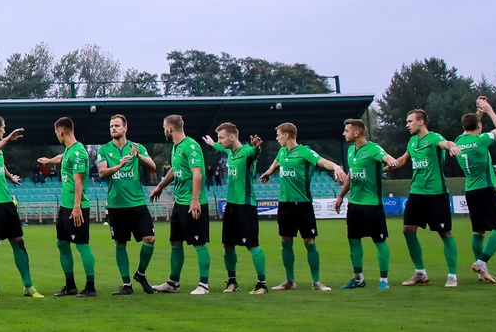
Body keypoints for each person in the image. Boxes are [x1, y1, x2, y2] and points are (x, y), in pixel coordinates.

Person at [258, 124, 348, 292]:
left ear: (286, 135)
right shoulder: (282, 152)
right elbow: (275, 163)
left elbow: (321, 161)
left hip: (302, 203)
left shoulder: (304, 152)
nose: (276, 138)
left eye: (278, 135)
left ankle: (316, 282)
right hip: (285, 203)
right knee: (286, 241)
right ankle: (289, 281)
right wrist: (268, 173)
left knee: (309, 241)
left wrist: (336, 166)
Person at [0, 115, 41, 300]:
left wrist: (10, 177)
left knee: (18, 241)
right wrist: (6, 140)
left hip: (6, 202)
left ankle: (28, 285)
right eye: (3, 127)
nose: (4, 130)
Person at [392, 108, 461, 287]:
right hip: (416, 193)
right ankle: (420, 273)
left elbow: (445, 143)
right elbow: (402, 160)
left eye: (410, 121)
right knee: (408, 229)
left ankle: (452, 275)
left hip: (436, 193)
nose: (407, 125)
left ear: (420, 122)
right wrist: (380, 170)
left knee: (444, 233)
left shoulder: (434, 138)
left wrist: (452, 146)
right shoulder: (413, 141)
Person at [96, 115, 158, 295]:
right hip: (116, 204)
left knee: (150, 239)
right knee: (120, 242)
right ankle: (126, 284)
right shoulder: (104, 149)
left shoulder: (136, 147)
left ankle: (140, 273)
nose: (113, 128)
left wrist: (139, 156)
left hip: (137, 202)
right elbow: (102, 172)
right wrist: (119, 166)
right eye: (111, 126)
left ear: (125, 128)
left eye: (116, 126)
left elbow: (152, 165)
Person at [148, 114, 210, 295]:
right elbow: (176, 170)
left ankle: (204, 285)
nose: (163, 131)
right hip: (180, 203)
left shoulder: (191, 146)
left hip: (193, 203)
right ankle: (173, 283)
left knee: (199, 243)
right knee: (175, 242)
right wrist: (160, 186)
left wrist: (195, 200)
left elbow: (197, 174)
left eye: (163, 128)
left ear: (169, 129)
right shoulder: (176, 148)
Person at [205, 123, 268, 293]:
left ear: (232, 137)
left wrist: (257, 148)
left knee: (252, 244)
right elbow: (221, 147)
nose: (220, 141)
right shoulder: (229, 152)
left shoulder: (247, 152)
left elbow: (255, 153)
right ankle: (232, 281)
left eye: (221, 137)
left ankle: (262, 283)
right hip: (231, 205)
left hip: (245, 205)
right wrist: (213, 144)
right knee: (227, 244)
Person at [38, 117, 96, 297]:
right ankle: (70, 285)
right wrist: (49, 161)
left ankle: (90, 287)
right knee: (62, 243)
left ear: (61, 131)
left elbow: (78, 182)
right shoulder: (69, 150)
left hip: (76, 207)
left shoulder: (79, 153)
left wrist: (77, 207)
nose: (56, 135)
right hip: (65, 206)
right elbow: (62, 157)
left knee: (81, 244)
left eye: (56, 132)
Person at [455, 97, 496, 283]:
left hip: (470, 190)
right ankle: (481, 262)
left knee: (478, 232)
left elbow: (471, 126)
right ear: (479, 126)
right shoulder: (481, 140)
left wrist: (478, 113)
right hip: (485, 189)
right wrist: (489, 110)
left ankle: (482, 274)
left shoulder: (459, 141)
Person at [335, 118, 391, 289]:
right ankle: (358, 278)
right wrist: (341, 196)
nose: (344, 133)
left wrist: (390, 161)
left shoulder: (373, 148)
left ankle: (383, 280)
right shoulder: (351, 150)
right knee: (353, 240)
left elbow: (385, 156)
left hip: (372, 204)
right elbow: (351, 175)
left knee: (379, 241)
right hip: (354, 204)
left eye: (347, 130)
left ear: (356, 133)